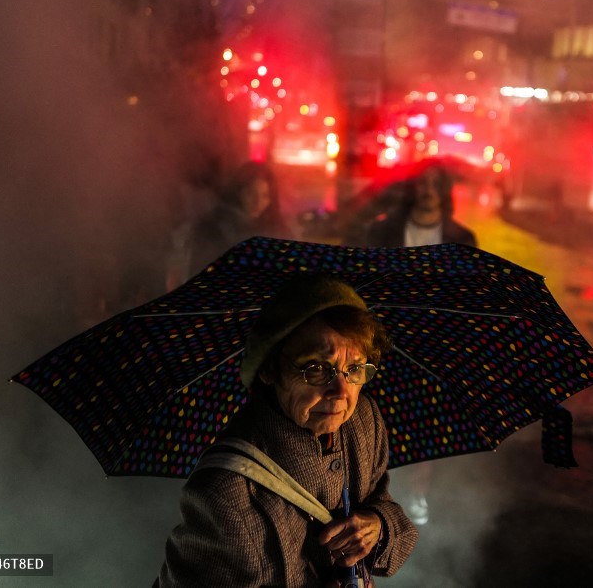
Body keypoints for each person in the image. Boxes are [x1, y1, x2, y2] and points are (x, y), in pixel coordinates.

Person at [157, 275, 417, 587]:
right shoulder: (225, 494)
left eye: (355, 369)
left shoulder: (364, 421)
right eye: (317, 368)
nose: (341, 391)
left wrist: (378, 527)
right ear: (270, 369)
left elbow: (381, 501)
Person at [168, 161, 294, 288]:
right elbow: (197, 274)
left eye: (265, 196)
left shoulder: (278, 230)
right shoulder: (213, 229)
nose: (258, 202)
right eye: (250, 193)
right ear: (238, 192)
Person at [361, 161, 477, 248]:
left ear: (444, 190)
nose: (429, 191)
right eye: (423, 182)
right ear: (413, 186)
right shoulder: (382, 232)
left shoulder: (462, 240)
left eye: (436, 184)